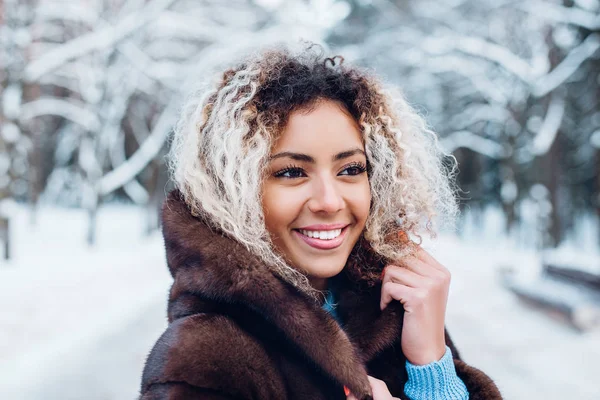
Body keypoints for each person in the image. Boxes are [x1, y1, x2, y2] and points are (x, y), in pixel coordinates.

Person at [140, 44, 503, 400]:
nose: (330, 201)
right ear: (234, 190)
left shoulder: (395, 311)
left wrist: (432, 370)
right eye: (292, 172)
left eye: (351, 169)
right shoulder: (206, 360)